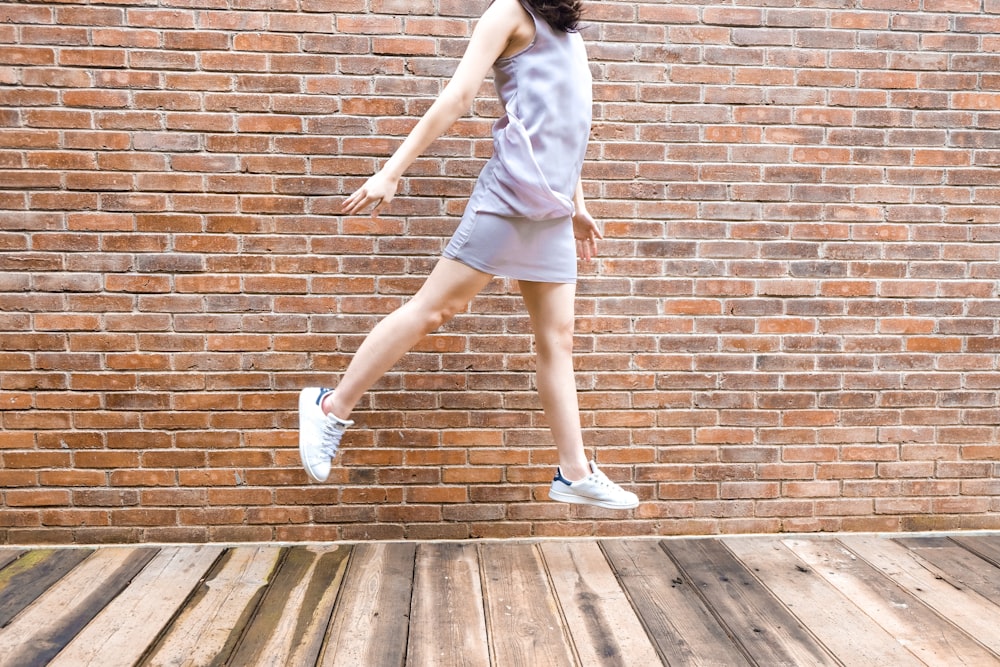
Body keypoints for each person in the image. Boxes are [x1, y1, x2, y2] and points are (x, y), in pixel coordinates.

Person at [298, 0, 638, 510]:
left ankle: (573, 473)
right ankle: (331, 406)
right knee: (435, 309)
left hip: (551, 211)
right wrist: (392, 171)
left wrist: (577, 206)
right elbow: (458, 96)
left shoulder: (568, 33)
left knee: (558, 340)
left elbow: (564, 130)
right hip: (508, 199)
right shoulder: (509, 12)